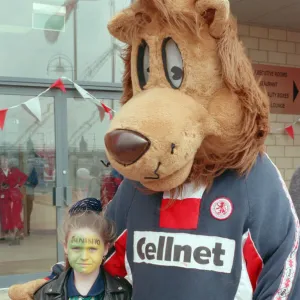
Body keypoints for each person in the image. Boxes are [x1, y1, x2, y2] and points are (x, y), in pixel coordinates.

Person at [32, 198, 131, 300]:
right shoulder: (45, 294)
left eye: (92, 249)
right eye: (76, 248)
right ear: (66, 247)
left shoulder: (123, 293)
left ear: (105, 248)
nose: (84, 257)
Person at [0, 153, 28, 240]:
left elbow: (24, 177)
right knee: (5, 215)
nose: (4, 162)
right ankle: (7, 232)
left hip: (14, 196)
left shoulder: (14, 170)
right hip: (3, 197)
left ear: (8, 161)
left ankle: (19, 231)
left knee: (15, 214)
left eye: (5, 160)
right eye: (2, 160)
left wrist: (19, 185)